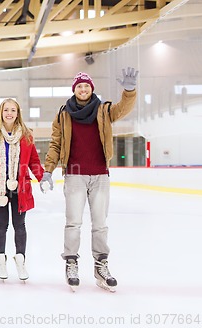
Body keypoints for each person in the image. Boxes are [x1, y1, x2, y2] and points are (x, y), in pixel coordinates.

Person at [41, 67, 139, 292]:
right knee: (73, 222)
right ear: (74, 89)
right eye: (79, 86)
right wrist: (48, 170)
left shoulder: (103, 110)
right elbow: (56, 144)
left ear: (91, 88)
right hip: (75, 174)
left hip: (100, 174)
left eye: (86, 86)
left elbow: (123, 109)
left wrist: (129, 90)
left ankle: (100, 265)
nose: (83, 89)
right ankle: (71, 263)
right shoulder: (63, 114)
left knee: (100, 224)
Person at [0, 98, 45, 281]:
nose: (9, 113)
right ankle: (1, 261)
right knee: (1, 225)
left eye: (13, 110)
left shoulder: (27, 136)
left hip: (20, 188)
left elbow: (34, 161)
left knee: (20, 225)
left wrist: (42, 178)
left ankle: (20, 261)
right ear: (1, 112)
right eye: (6, 110)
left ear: (18, 114)